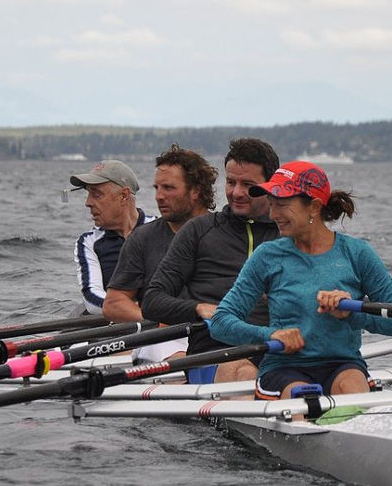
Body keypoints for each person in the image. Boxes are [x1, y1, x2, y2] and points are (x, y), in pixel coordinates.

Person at [208, 160, 392, 402]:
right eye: (272, 205)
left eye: (282, 205)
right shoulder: (267, 257)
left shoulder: (357, 253)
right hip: (284, 368)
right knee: (301, 397)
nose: (273, 214)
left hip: (343, 364)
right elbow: (221, 322)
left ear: (314, 207)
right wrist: (270, 335)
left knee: (353, 388)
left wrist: (352, 315)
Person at [142, 137, 280, 383]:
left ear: (271, 185)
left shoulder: (289, 233)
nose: (236, 193)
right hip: (212, 352)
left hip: (279, 348)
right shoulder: (199, 230)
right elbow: (153, 301)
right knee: (244, 372)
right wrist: (198, 308)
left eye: (248, 184)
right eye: (230, 182)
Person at [102, 144, 218, 363]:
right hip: (164, 337)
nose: (159, 196)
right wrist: (158, 318)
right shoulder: (143, 238)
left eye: (169, 188)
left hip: (214, 332)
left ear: (196, 191)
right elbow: (114, 303)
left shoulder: (225, 232)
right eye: (156, 188)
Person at [70, 159, 155, 315]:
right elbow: (92, 299)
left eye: (96, 195)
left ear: (124, 196)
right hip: (126, 323)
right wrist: (137, 312)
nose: (88, 203)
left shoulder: (161, 229)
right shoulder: (88, 242)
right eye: (88, 194)